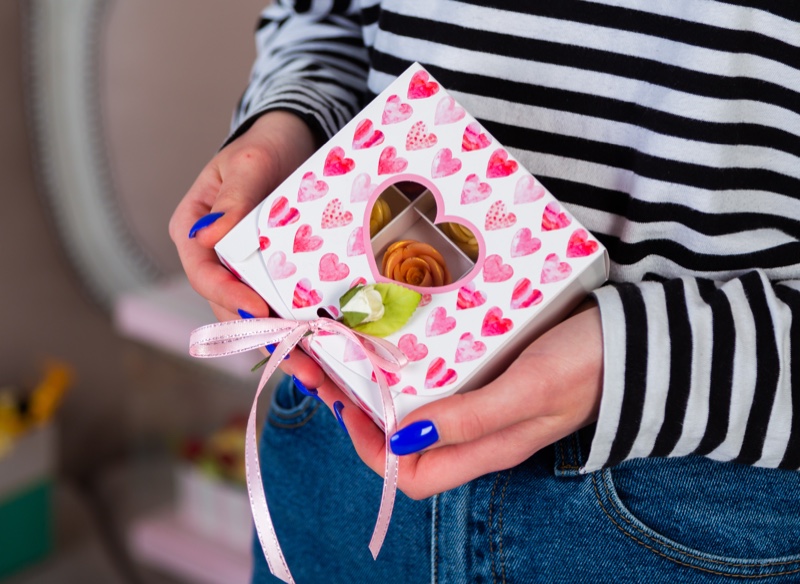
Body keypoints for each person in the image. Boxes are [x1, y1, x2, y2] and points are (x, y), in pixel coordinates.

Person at [170, 2, 800, 582]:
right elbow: (324, 14)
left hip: (696, 483)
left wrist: (642, 362)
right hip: (346, 430)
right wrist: (290, 126)